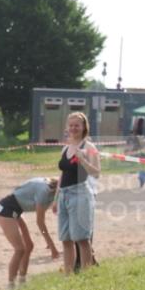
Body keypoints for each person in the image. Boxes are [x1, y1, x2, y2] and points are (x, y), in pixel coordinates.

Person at [53, 112, 100, 274]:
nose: (73, 128)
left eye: (77, 125)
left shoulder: (89, 147)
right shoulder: (65, 148)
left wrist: (83, 160)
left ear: (84, 127)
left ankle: (86, 274)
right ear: (67, 127)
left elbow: (96, 172)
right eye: (71, 125)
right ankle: (68, 275)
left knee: (82, 239)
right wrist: (56, 198)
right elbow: (63, 174)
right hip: (64, 195)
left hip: (80, 194)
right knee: (65, 239)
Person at [0, 178, 60, 290]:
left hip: (17, 210)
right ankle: (10, 286)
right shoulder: (45, 192)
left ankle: (22, 281)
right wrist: (51, 246)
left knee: (29, 246)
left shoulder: (51, 187)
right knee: (19, 249)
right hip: (5, 209)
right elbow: (40, 222)